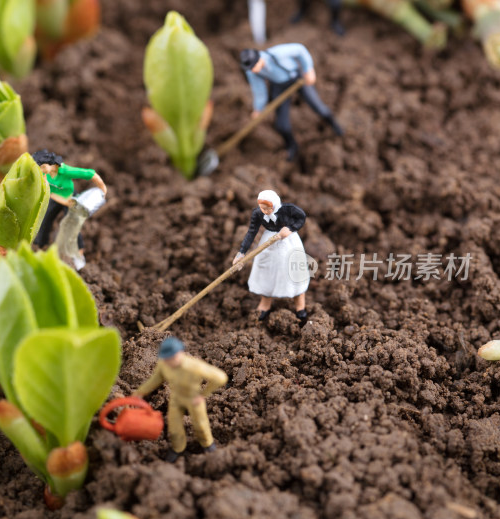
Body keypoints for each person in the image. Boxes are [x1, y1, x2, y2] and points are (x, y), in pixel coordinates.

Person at [239, 44, 344, 161]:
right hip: (279, 86)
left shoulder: (277, 53)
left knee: (319, 108)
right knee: (282, 125)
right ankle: (292, 145)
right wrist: (258, 109)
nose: (253, 70)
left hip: (297, 78)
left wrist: (308, 69)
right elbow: (259, 91)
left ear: (259, 59)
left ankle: (336, 127)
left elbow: (300, 50)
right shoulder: (252, 73)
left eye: (254, 66)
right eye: (251, 68)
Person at [133, 337, 228, 463]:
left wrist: (203, 395)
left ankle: (208, 445)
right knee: (174, 427)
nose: (168, 361)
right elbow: (155, 380)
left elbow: (220, 378)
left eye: (171, 358)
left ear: (180, 353)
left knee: (200, 425)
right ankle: (178, 449)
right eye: (166, 358)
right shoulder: (164, 364)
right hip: (176, 398)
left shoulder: (194, 366)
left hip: (193, 398)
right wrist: (141, 392)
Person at [233, 190, 310, 324]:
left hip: (289, 242)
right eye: (262, 208)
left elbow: (301, 217)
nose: (265, 211)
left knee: (294, 272)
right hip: (269, 243)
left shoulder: (288, 210)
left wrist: (290, 228)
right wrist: (241, 253)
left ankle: (300, 305)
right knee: (266, 272)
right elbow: (251, 232)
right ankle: (265, 303)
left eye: (268, 208)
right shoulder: (257, 213)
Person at [31, 149, 107, 250]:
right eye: (40, 168)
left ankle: (79, 248)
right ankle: (40, 243)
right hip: (56, 198)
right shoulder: (44, 175)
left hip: (70, 197)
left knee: (72, 223)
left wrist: (102, 188)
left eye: (43, 167)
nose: (42, 170)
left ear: (52, 164)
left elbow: (89, 174)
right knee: (46, 218)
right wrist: (64, 202)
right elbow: (49, 192)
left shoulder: (65, 171)